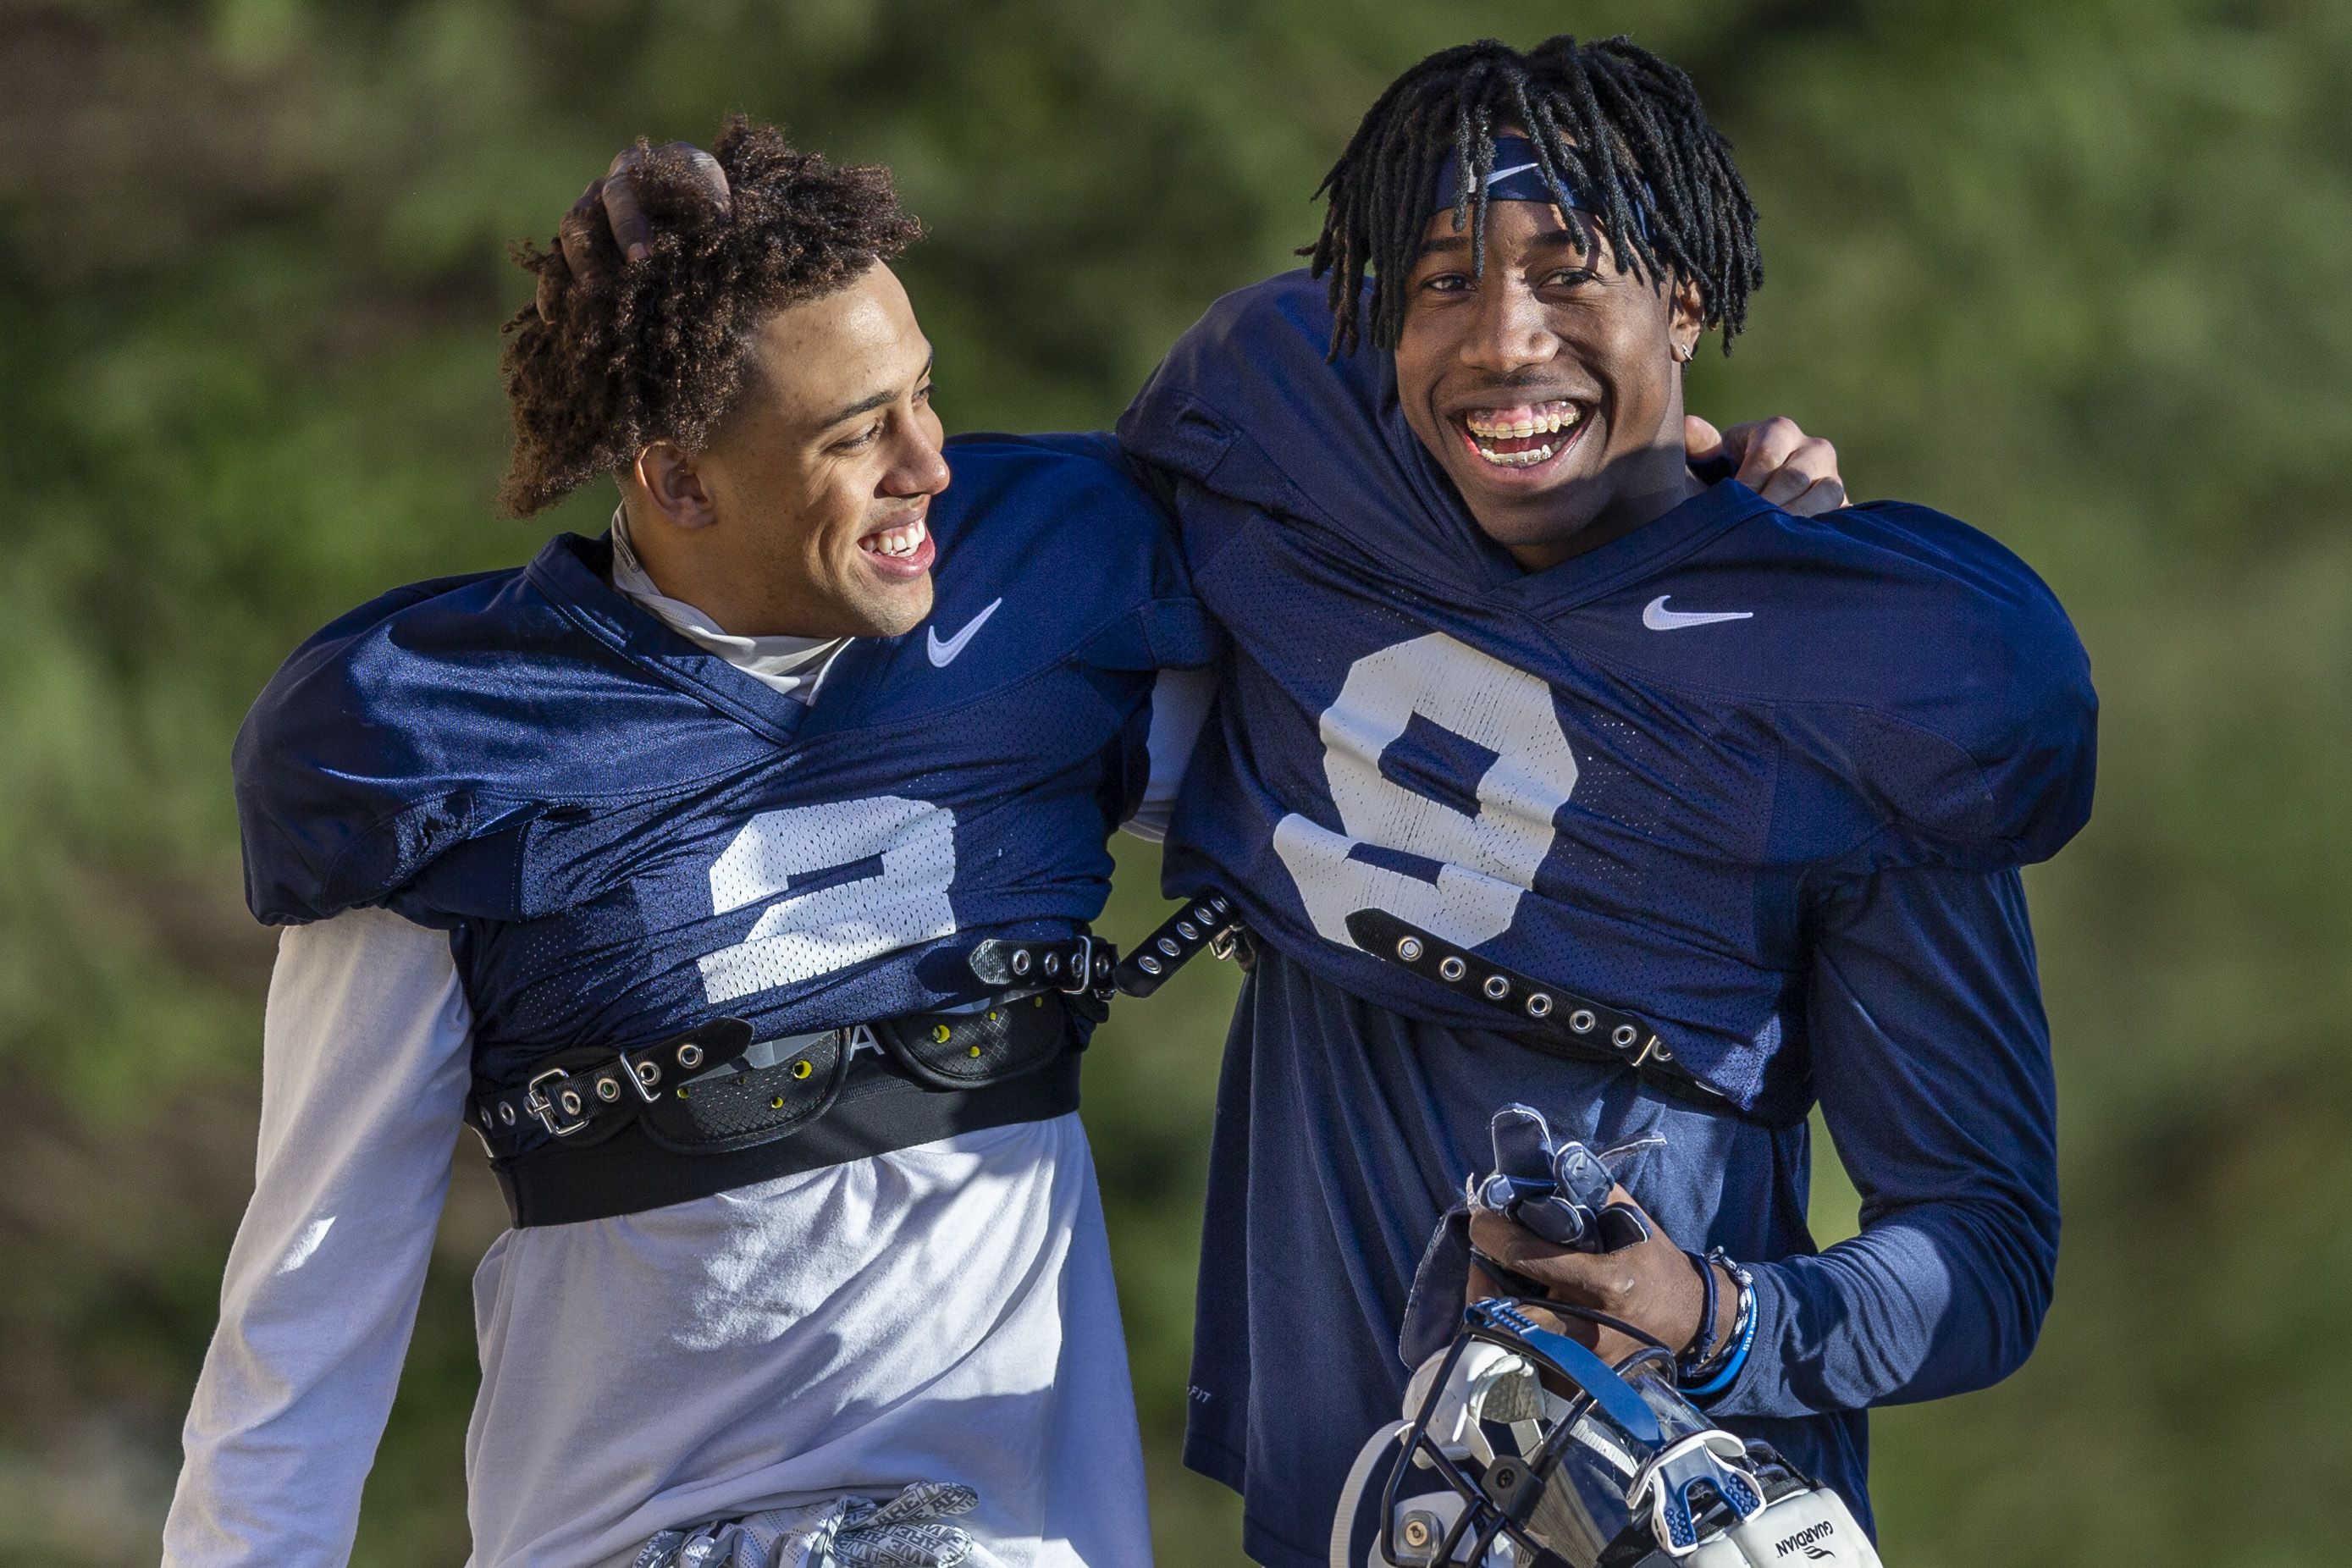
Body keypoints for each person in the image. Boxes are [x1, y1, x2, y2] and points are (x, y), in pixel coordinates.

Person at [161, 121, 1212, 1568]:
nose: (933, 468)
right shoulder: (443, 731)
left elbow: (1362, 837)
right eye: (858, 433)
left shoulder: (1055, 591)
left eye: (925, 398)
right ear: (679, 482)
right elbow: (317, 1278)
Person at [1113, 35, 2095, 1568]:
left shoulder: (1852, 678)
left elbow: (1985, 1253)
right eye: (1439, 280)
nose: (1504, 339)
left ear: (1686, 299)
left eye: (1573, 274)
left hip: (1670, 1507)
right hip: (1335, 1503)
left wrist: (1714, 1315)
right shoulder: (1279, 475)